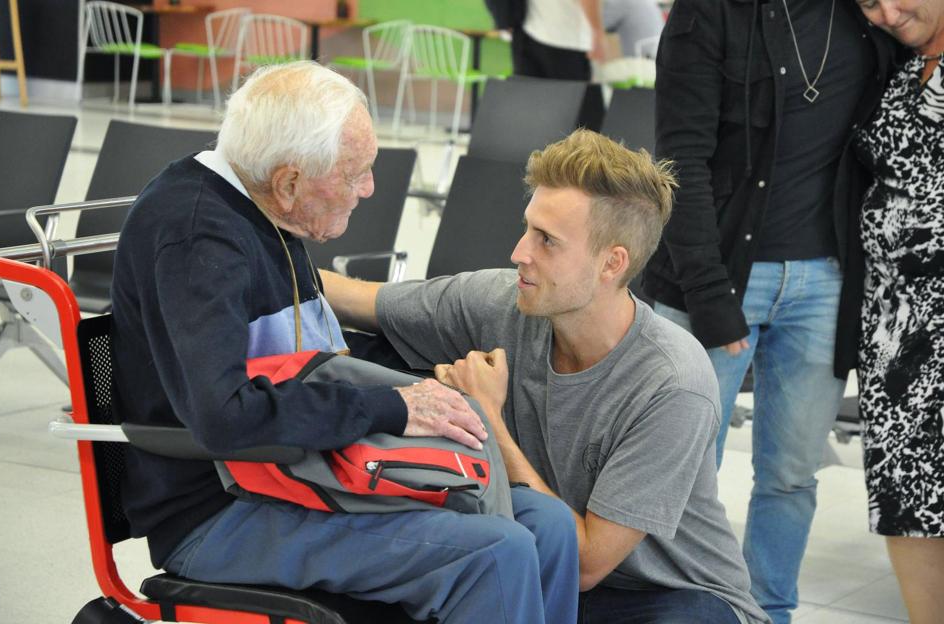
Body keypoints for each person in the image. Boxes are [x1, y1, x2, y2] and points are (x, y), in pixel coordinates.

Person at [109, 61, 580, 624]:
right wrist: (392, 406)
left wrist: (434, 379)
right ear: (289, 182)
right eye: (356, 172)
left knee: (548, 529)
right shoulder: (197, 240)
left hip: (302, 473)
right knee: (495, 554)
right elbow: (224, 417)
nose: (369, 187)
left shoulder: (260, 205)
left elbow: (314, 358)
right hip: (220, 511)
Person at [323, 129, 770, 624]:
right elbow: (355, 299)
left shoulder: (672, 384)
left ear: (611, 263)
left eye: (546, 240)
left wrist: (486, 417)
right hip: (548, 568)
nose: (519, 252)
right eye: (527, 228)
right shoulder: (503, 301)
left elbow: (584, 566)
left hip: (675, 598)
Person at [647, 1, 898, 620]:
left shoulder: (868, 16)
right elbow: (679, 161)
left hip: (826, 280)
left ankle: (769, 612)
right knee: (681, 470)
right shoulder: (706, 13)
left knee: (791, 475)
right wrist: (709, 292)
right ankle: (682, 608)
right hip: (722, 274)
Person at [852, 1, 944, 622]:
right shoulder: (897, 63)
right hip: (893, 330)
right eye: (867, 4)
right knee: (906, 501)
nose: (887, 13)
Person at [512, 0, 606, 80]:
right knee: (572, 99)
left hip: (527, 31)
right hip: (565, 38)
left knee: (529, 98)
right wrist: (597, 32)